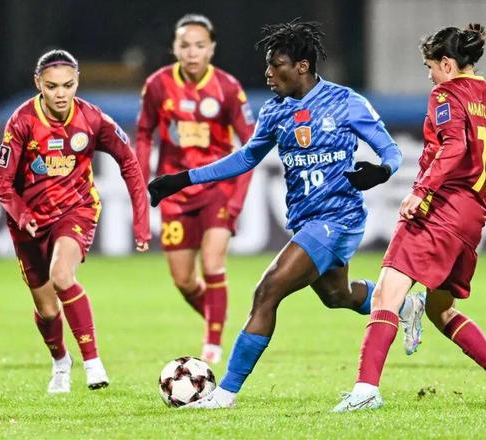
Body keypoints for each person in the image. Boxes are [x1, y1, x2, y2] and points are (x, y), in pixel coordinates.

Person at [148, 20, 426, 409]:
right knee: (337, 296)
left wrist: (381, 171)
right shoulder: (274, 111)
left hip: (338, 218)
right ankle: (404, 305)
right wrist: (182, 179)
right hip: (306, 220)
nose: (267, 72)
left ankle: (224, 394)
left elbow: (391, 151)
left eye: (276, 64)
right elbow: (246, 157)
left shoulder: (345, 102)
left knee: (267, 292)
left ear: (302, 66)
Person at [332, 24, 486, 412]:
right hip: (471, 225)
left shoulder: (447, 94)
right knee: (440, 309)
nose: (429, 76)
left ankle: (366, 391)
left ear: (447, 64)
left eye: (430, 66)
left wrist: (420, 191)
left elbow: (454, 146)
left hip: (438, 212)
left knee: (385, 294)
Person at [0, 49, 151, 393]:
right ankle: (61, 362)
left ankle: (93, 363)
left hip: (75, 210)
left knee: (62, 276)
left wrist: (141, 221)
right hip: (28, 222)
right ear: (38, 84)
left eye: (68, 85)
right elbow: (1, 183)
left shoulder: (93, 119)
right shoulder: (21, 121)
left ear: (77, 82)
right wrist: (22, 214)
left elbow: (129, 163)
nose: (61, 94)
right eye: (52, 87)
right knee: (48, 311)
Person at [136, 14, 256, 364]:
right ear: (174, 48)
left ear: (211, 49)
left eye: (199, 45)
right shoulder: (158, 85)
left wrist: (236, 201)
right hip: (174, 192)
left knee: (213, 263)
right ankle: (217, 316)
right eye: (185, 45)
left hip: (217, 188)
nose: (192, 52)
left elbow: (251, 145)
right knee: (184, 280)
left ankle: (213, 345)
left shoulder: (228, 88)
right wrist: (141, 182)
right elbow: (143, 134)